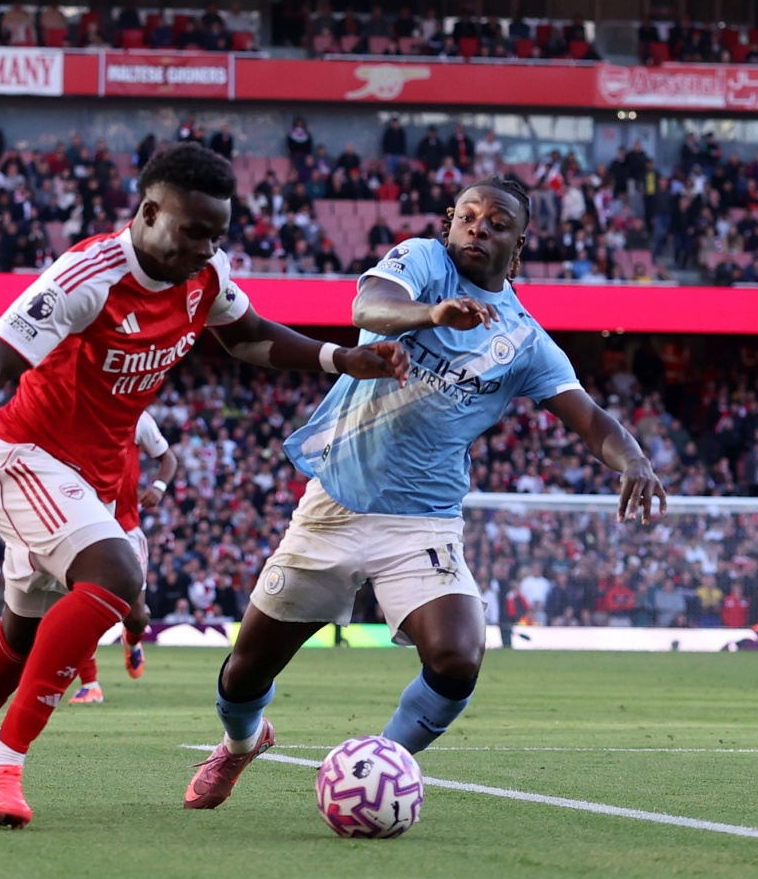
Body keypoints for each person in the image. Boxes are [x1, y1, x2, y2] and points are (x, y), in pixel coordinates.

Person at [0, 144, 408, 828]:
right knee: (116, 575)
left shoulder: (206, 275)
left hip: (98, 476)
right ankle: (2, 767)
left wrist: (339, 356)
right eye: (192, 231)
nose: (205, 248)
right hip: (28, 454)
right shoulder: (89, 276)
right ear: (147, 213)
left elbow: (248, 336)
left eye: (216, 235)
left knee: (24, 636)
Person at [182, 177, 663, 809]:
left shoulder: (524, 340)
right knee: (247, 671)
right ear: (450, 222)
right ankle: (241, 744)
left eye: (495, 223)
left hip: (422, 523)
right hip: (334, 507)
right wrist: (430, 314)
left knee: (458, 656)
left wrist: (631, 458)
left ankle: (378, 769)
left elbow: (589, 416)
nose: (477, 229)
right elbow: (369, 310)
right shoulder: (422, 262)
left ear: (518, 245)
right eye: (467, 217)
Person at [67, 410, 179, 705]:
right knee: (81, 609)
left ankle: (132, 640)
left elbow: (169, 458)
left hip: (127, 530)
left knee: (136, 614)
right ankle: (90, 684)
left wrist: (158, 486)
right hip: (86, 529)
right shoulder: (73, 416)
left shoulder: (136, 416)